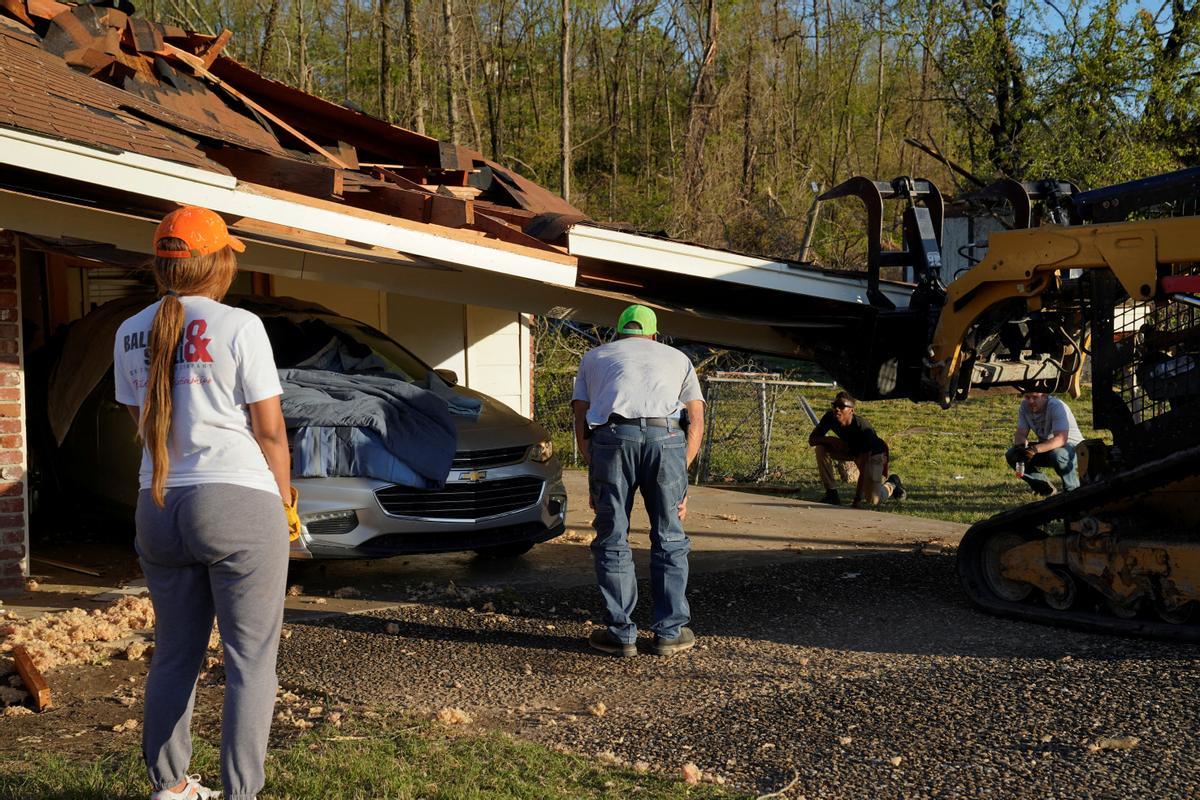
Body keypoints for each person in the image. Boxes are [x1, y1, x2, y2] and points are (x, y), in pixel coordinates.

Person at [114, 206, 297, 800]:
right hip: (237, 499)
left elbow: (138, 426)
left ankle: (170, 786)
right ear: (216, 261)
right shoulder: (239, 326)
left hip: (159, 503)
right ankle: (241, 792)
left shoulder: (127, 332)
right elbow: (270, 431)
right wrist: (285, 499)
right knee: (250, 659)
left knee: (174, 652)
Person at [571, 305, 705, 657]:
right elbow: (695, 418)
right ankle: (669, 632)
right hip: (667, 438)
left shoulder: (595, 357)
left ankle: (620, 633)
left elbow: (581, 416)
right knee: (670, 535)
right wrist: (681, 476)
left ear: (619, 333)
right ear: (653, 334)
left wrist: (593, 467)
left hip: (613, 437)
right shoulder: (678, 358)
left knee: (613, 533)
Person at [808, 391, 905, 507]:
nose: (837, 409)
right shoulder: (830, 417)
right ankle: (831, 494)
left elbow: (863, 469)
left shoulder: (863, 428)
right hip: (851, 450)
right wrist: (831, 440)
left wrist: (857, 500)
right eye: (834, 405)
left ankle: (892, 484)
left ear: (851, 410)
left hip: (873, 455)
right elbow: (812, 440)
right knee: (821, 448)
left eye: (842, 406)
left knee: (873, 499)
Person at [1005, 389, 1084, 496]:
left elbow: (1061, 439)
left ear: (1045, 396)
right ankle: (1045, 489)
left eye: (1035, 397)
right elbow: (1020, 434)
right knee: (1012, 454)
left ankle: (1073, 491)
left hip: (1075, 449)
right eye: (1027, 397)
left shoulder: (1057, 406)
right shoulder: (1024, 406)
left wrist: (1034, 450)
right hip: (1049, 447)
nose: (1030, 401)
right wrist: (1021, 446)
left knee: (1058, 455)